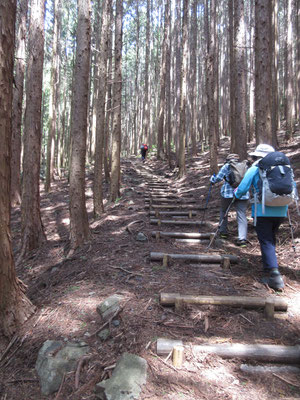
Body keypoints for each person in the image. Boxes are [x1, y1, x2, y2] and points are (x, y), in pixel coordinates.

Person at [234, 143, 292, 290]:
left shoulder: (256, 167)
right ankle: (269, 267)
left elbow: (243, 187)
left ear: (258, 155)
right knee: (271, 238)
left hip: (263, 210)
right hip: (281, 209)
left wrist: (237, 194)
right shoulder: (283, 167)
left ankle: (273, 274)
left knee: (266, 240)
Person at [210, 154, 249, 247]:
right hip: (242, 193)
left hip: (228, 193)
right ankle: (242, 238)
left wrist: (212, 179)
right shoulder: (245, 167)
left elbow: (218, 178)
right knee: (241, 214)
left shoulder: (226, 166)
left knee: (224, 211)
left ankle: (223, 232)